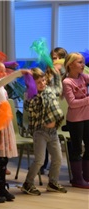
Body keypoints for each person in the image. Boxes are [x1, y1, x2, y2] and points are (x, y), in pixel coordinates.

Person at [0, 63, 30, 203]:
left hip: (4, 122)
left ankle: (2, 188)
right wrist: (18, 72)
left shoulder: (0, 87)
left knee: (3, 159)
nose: (3, 74)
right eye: (0, 71)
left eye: (4, 71)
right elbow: (3, 80)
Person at [21, 67, 67, 195]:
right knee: (39, 161)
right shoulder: (31, 97)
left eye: (43, 81)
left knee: (57, 158)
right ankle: (28, 183)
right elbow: (31, 107)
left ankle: (53, 182)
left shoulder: (50, 90)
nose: (42, 84)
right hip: (40, 132)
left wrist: (56, 75)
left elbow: (58, 88)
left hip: (53, 132)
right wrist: (33, 90)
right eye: (38, 82)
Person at [62, 52, 89, 189]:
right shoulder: (67, 82)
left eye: (83, 62)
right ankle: (77, 179)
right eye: (80, 62)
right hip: (75, 120)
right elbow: (72, 103)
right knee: (77, 148)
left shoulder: (84, 77)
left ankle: (86, 177)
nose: (83, 65)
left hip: (87, 117)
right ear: (70, 64)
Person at [41, 47, 68, 174]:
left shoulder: (66, 74)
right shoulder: (47, 74)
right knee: (46, 135)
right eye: (53, 58)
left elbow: (62, 93)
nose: (56, 60)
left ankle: (58, 166)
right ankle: (43, 163)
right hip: (48, 109)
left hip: (62, 110)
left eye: (59, 58)